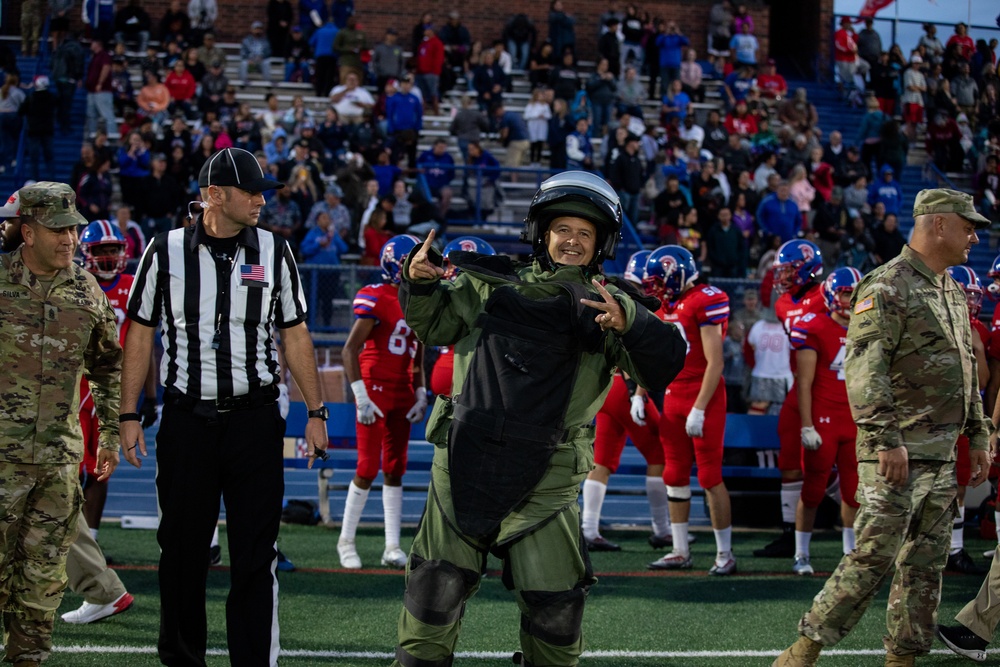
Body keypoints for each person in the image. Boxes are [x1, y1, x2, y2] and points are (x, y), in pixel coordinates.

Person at [393, 171, 685, 667]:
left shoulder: (613, 304)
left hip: (548, 477)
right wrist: (417, 285)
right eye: (563, 229)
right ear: (542, 234)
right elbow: (435, 325)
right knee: (432, 594)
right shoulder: (489, 283)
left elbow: (666, 360)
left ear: (601, 244)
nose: (572, 241)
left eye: (585, 233)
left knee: (555, 611)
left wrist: (630, 322)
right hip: (463, 460)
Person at [119, 148, 329, 666]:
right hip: (188, 420)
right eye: (252, 191)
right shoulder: (164, 250)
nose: (261, 200)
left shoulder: (275, 251)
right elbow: (140, 333)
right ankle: (183, 660)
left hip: (256, 422)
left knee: (256, 558)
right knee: (182, 555)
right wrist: (127, 414)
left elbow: (296, 333)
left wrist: (316, 413)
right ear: (214, 195)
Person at [773, 188, 993, 667]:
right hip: (896, 456)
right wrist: (886, 441)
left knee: (925, 568)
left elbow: (968, 372)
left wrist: (978, 435)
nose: (975, 235)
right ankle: (804, 648)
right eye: (967, 224)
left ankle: (903, 658)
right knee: (872, 558)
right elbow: (865, 373)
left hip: (939, 456)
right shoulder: (887, 285)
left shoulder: (950, 287)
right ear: (937, 224)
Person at [0, 182, 122, 665]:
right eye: (58, 230)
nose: (70, 239)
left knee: (43, 580)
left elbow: (108, 367)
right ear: (27, 232)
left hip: (58, 463)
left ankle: (28, 659)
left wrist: (110, 432)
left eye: (73, 228)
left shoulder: (86, 288)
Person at [643, 244, 736, 575]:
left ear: (675, 273)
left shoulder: (704, 299)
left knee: (710, 476)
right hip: (673, 394)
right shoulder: (667, 304)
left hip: (703, 394)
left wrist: (699, 407)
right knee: (674, 473)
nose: (653, 287)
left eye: (658, 280)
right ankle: (680, 549)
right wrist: (640, 392)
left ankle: (725, 554)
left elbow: (716, 362)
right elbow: (655, 356)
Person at [337, 235, 427, 570]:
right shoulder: (376, 296)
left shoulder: (419, 300)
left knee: (395, 468)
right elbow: (349, 349)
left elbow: (418, 354)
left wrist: (420, 392)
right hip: (374, 388)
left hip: (403, 390)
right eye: (416, 259)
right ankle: (345, 540)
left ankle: (391, 545)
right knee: (366, 468)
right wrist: (359, 394)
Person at [582, 250, 673, 552]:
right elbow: (641, 355)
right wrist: (638, 394)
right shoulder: (636, 303)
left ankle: (589, 528)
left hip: (607, 387)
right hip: (628, 388)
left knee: (603, 461)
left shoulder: (615, 293)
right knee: (659, 455)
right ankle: (663, 530)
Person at [787, 267, 863, 576]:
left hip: (853, 420)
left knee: (853, 490)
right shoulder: (814, 326)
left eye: (854, 293)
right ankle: (801, 553)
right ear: (832, 294)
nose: (851, 299)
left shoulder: (866, 328)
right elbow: (803, 382)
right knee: (814, 488)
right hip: (824, 419)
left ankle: (850, 553)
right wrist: (807, 424)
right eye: (846, 292)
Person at [754, 239, 827, 559]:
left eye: (789, 270)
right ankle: (789, 533)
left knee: (835, 463)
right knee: (788, 461)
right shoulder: (784, 304)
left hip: (831, 388)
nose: (782, 276)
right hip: (799, 388)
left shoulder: (828, 296)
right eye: (781, 270)